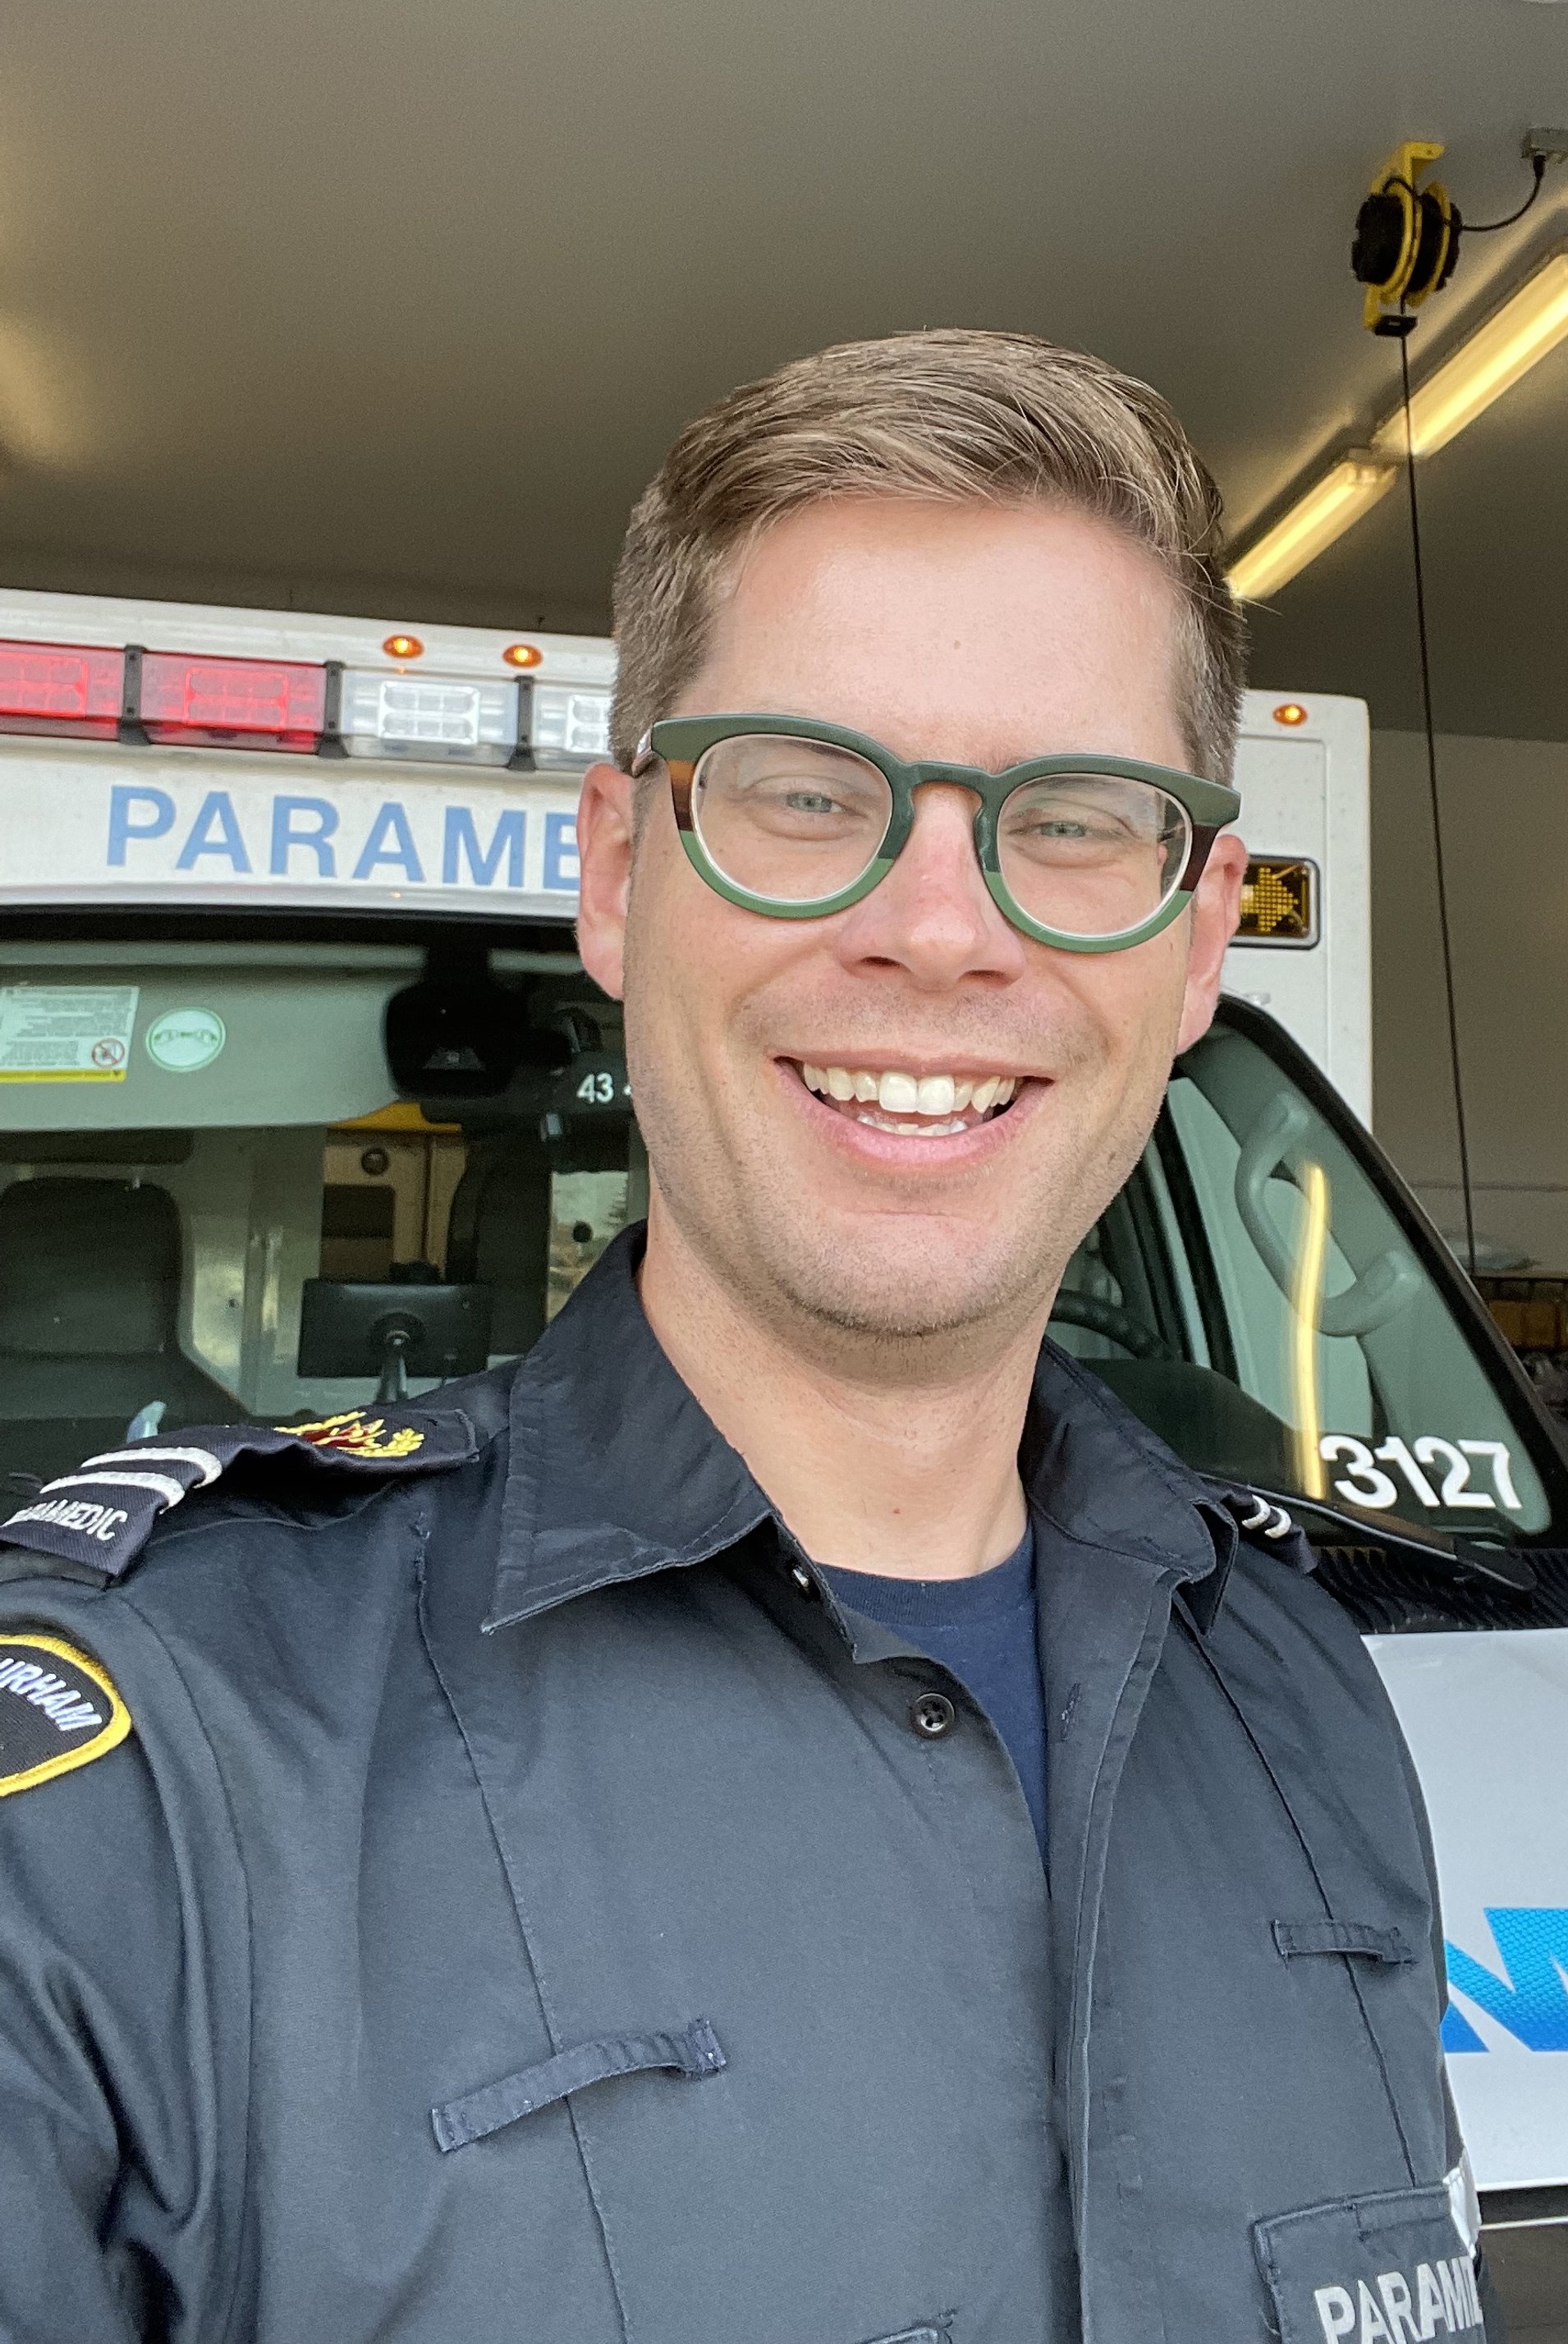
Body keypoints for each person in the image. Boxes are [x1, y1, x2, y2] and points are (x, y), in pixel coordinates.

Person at [0, 329, 1474, 2344]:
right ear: (619, 872)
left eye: (1069, 817)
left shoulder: (1299, 1688)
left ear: (1198, 929)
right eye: (806, 790)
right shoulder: (135, 1785)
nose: (940, 927)